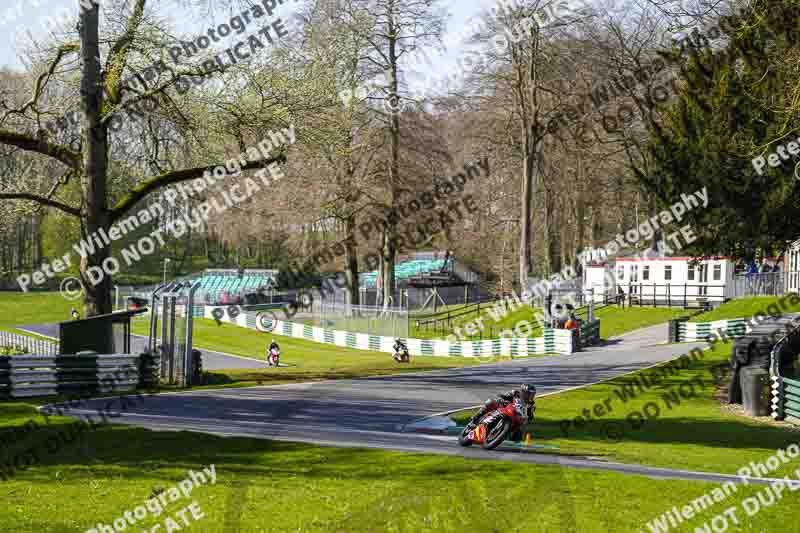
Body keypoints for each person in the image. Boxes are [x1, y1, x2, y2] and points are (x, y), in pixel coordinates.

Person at [466, 384, 537, 440]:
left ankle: (508, 434)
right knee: (490, 402)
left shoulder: (531, 405)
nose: (531, 396)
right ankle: (475, 419)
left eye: (532, 394)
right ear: (523, 392)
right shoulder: (515, 393)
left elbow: (529, 417)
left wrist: (529, 416)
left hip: (514, 417)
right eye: (529, 394)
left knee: (518, 436)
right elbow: (504, 396)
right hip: (504, 408)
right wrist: (504, 397)